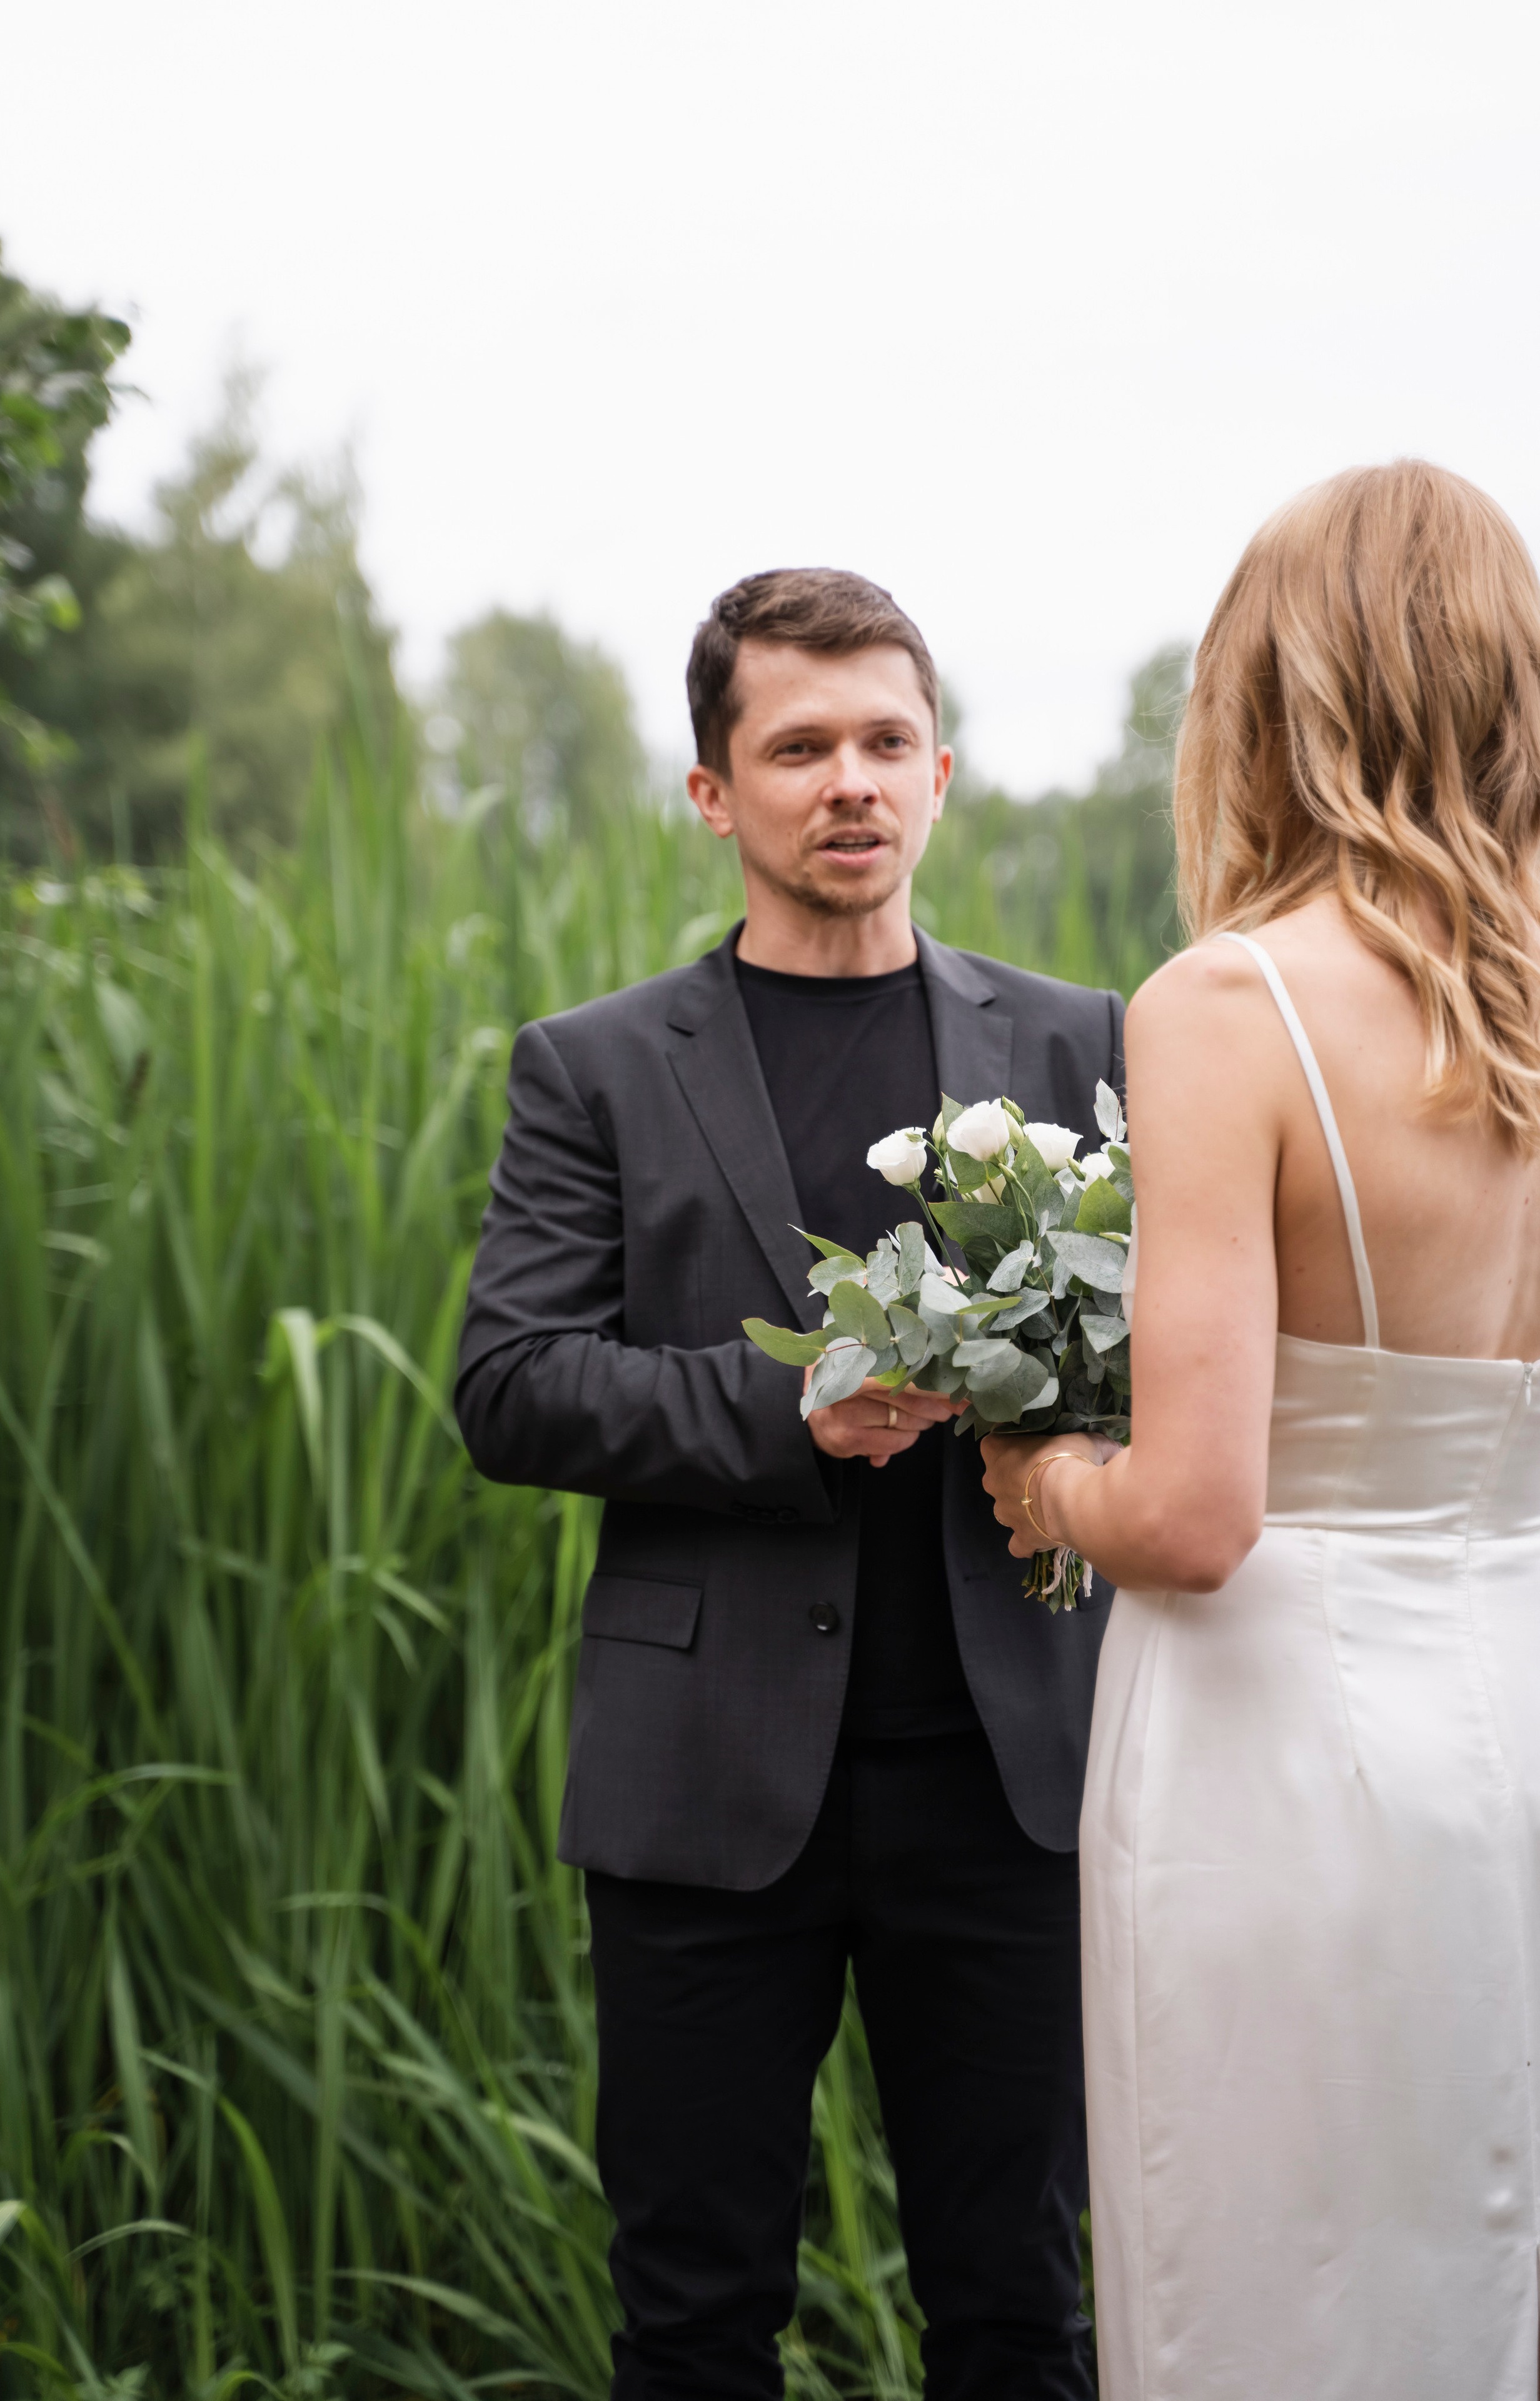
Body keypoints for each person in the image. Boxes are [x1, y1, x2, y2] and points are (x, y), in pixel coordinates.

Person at [456, 568, 1123, 2399]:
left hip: (1012, 1792)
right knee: (693, 2319)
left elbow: (1176, 1363)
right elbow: (508, 1389)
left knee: (1018, 2310)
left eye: (886, 742)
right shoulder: (592, 1069)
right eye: (801, 745)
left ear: (943, 771)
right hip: (703, 1796)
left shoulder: (1086, 1044)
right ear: (712, 790)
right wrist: (790, 1419)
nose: (851, 781)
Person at [982, 460, 1540, 2399]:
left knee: (1269, 2267)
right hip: (1518, 1693)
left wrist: (1045, 1476)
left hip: (1285, 1744)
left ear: (1272, 691)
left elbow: (1199, 1511)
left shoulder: (1234, 1004)